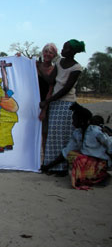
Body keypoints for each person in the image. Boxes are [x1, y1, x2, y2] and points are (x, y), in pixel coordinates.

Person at [40, 39, 85, 176]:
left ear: (72, 51)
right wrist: (37, 67)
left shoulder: (77, 68)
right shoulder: (59, 63)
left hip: (66, 103)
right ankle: (52, 166)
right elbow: (51, 81)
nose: (62, 51)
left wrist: (48, 101)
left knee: (64, 136)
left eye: (65, 48)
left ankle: (62, 167)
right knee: (54, 135)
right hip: (55, 103)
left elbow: (66, 89)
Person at [41, 103, 112, 190]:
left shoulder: (95, 131)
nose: (72, 122)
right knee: (72, 155)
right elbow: (66, 153)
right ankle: (89, 177)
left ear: (82, 121)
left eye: (74, 120)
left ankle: (101, 176)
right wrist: (47, 166)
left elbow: (110, 145)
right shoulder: (77, 133)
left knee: (80, 160)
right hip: (88, 162)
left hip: (100, 162)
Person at [37, 43, 58, 160]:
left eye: (50, 52)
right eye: (46, 51)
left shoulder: (54, 70)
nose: (47, 54)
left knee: (45, 134)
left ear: (54, 55)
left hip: (46, 102)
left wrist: (44, 110)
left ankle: (45, 160)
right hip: (32, 102)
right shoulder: (35, 65)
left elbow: (50, 90)